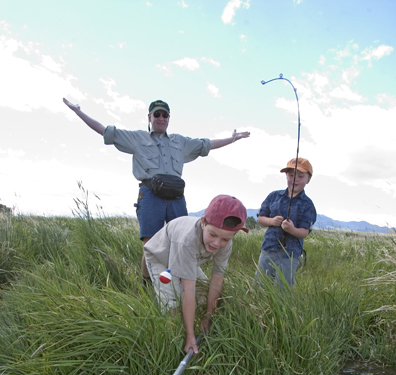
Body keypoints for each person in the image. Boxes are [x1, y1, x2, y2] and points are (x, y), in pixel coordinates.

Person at [62, 97, 250, 281]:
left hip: (176, 196)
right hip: (151, 194)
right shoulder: (137, 138)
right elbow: (105, 131)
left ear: (169, 118)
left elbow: (206, 145)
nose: (161, 118)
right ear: (149, 117)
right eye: (157, 114)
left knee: (183, 241)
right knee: (150, 244)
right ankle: (146, 284)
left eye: (165, 115)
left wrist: (232, 139)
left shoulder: (180, 142)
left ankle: (178, 281)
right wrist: (78, 111)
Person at [144, 194, 249, 354]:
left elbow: (217, 279)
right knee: (172, 307)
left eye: (225, 239)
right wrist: (190, 335)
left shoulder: (225, 244)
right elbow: (189, 290)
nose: (217, 243)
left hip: (187, 259)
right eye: (212, 235)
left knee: (204, 297)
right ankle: (173, 345)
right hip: (162, 257)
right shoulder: (188, 240)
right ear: (203, 222)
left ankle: (197, 326)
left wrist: (208, 316)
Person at [256, 157, 317, 289]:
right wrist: (271, 221)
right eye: (291, 175)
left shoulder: (308, 205)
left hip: (291, 254)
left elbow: (304, 232)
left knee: (283, 287)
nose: (295, 179)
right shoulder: (274, 196)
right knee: (260, 284)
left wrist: (292, 230)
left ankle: (280, 309)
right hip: (268, 249)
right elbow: (260, 218)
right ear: (286, 176)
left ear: (308, 179)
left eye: (300, 176)